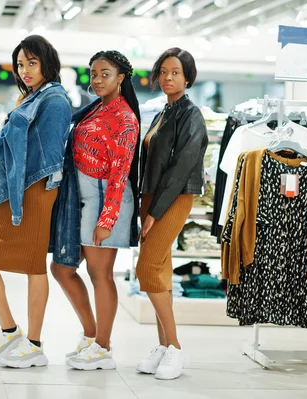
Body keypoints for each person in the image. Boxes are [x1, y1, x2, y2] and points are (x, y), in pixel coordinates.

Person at [0, 35, 72, 369]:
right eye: (20, 64)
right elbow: (6, 153)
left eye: (32, 63)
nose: (25, 70)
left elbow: (51, 155)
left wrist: (28, 191)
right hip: (11, 189)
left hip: (37, 189)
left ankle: (34, 344)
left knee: (32, 265)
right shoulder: (28, 97)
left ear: (46, 62)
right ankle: (10, 330)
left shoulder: (55, 99)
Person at [49, 50, 141, 370]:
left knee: (100, 275)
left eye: (104, 73)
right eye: (93, 74)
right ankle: (91, 336)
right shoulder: (94, 110)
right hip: (84, 199)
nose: (97, 79)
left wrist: (107, 219)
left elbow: (120, 174)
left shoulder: (125, 118)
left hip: (106, 200)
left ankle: (102, 347)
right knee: (62, 268)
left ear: (121, 78)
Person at [136, 48, 208, 380]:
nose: (168, 77)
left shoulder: (190, 114)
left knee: (147, 268)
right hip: (152, 197)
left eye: (175, 72)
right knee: (160, 271)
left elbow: (181, 169)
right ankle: (163, 346)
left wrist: (155, 212)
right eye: (163, 71)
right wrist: (144, 205)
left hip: (174, 197)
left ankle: (176, 347)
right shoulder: (162, 113)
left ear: (188, 77)